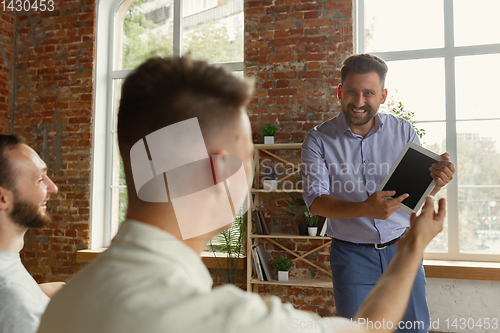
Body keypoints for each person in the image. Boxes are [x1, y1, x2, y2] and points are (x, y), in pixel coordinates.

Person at [39, 56, 446, 333]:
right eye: (248, 158)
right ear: (218, 171)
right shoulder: (232, 319)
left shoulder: (62, 307)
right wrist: (416, 244)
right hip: (355, 250)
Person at [301, 54, 456, 332]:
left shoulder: (403, 131)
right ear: (340, 92)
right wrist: (364, 208)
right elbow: (315, 201)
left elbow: (413, 195)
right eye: (352, 91)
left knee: (415, 329)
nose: (359, 102)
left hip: (402, 249)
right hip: (351, 257)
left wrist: (437, 182)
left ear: (382, 96)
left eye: (368, 93)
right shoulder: (318, 140)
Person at [0, 134, 64, 333]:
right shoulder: (15, 300)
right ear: (2, 198)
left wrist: (39, 293)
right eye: (39, 180)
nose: (53, 188)